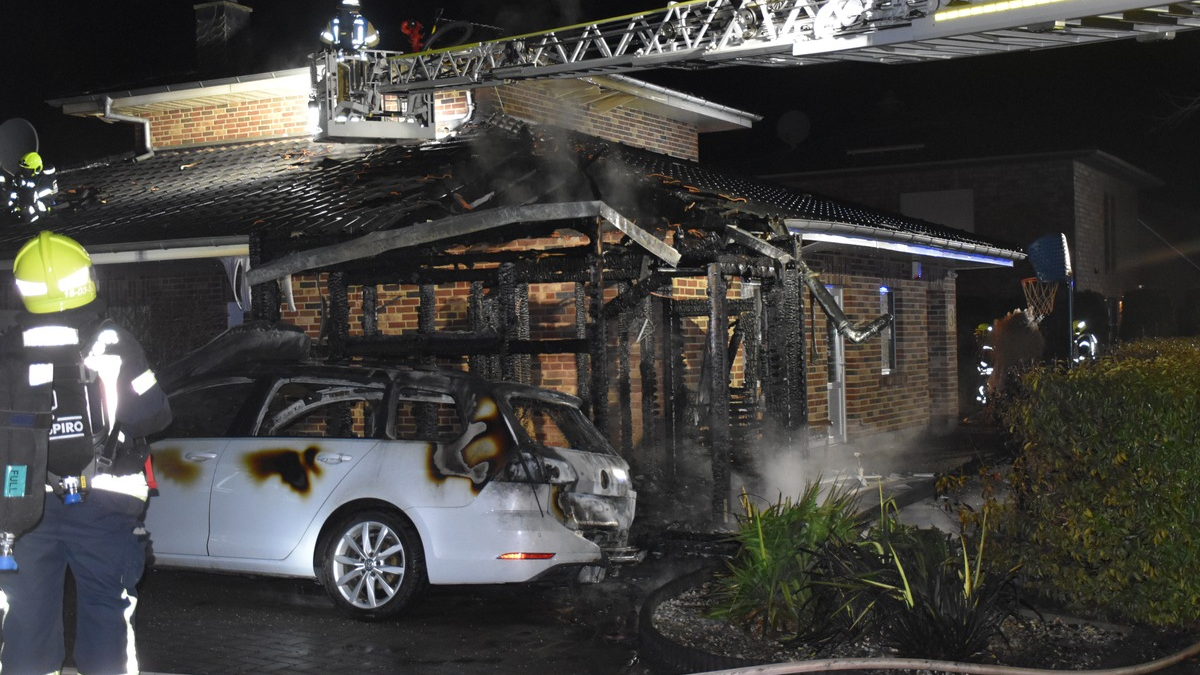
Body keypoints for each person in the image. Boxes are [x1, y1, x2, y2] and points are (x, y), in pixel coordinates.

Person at [0, 231, 172, 675]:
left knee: (26, 623)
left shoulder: (7, 350)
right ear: (86, 278)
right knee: (105, 614)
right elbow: (154, 413)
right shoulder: (111, 341)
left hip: (24, 508)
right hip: (106, 502)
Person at [5, 152, 58, 223]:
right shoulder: (20, 177)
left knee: (28, 218)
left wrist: (30, 211)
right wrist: (12, 205)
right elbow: (15, 191)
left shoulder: (43, 181)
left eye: (27, 170)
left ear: (37, 169)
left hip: (37, 210)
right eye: (23, 169)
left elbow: (45, 202)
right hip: (23, 205)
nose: (24, 172)